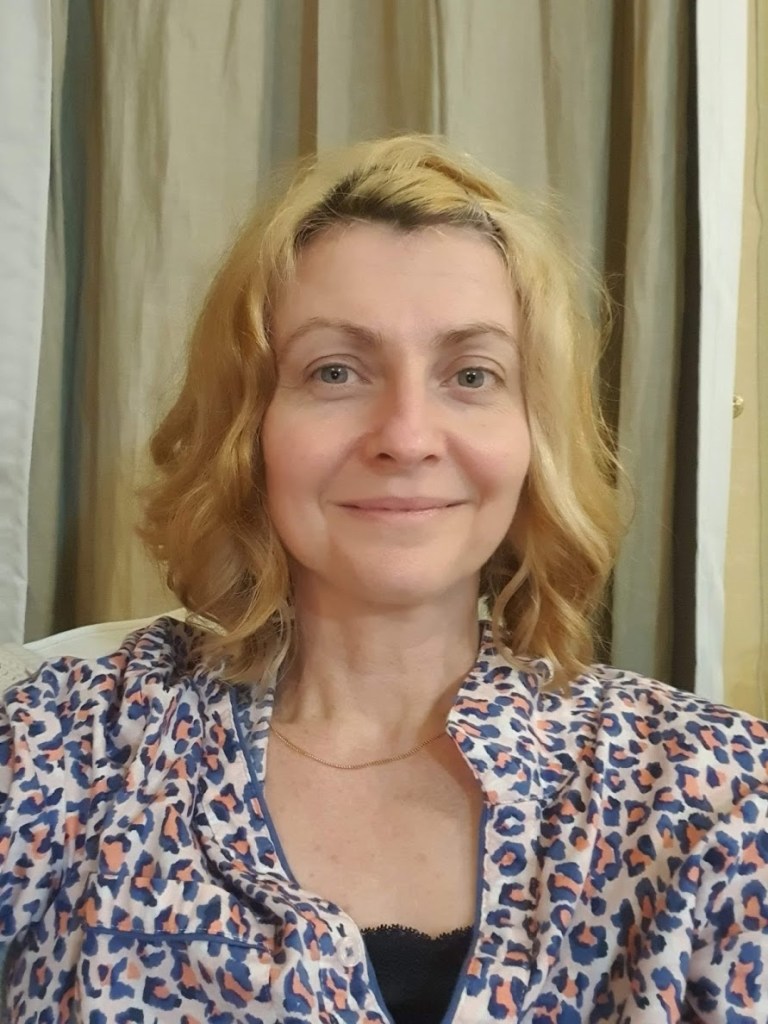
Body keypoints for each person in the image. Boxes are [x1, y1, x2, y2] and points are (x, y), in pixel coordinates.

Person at [1, 134, 766, 1024]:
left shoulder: (713, 792)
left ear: (535, 440)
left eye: (471, 375)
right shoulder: (58, 749)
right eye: (335, 371)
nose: (405, 436)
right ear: (248, 430)